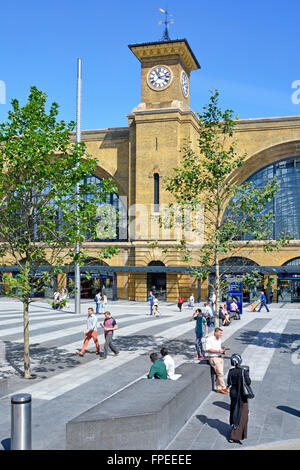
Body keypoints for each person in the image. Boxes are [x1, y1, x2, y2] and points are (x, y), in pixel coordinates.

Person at [227, 353, 252, 443]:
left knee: (234, 411)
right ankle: (235, 435)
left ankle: (234, 430)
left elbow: (229, 382)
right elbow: (248, 382)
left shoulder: (230, 371)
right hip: (241, 395)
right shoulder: (243, 371)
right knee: (242, 414)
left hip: (233, 393)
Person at [205, 327, 229, 394]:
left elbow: (219, 348)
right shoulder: (209, 339)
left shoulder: (219, 339)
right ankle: (224, 387)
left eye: (221, 333)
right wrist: (218, 350)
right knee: (220, 373)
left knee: (219, 374)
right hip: (214, 358)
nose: (221, 335)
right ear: (215, 333)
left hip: (220, 357)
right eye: (220, 333)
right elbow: (208, 349)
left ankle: (219, 388)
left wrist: (222, 351)